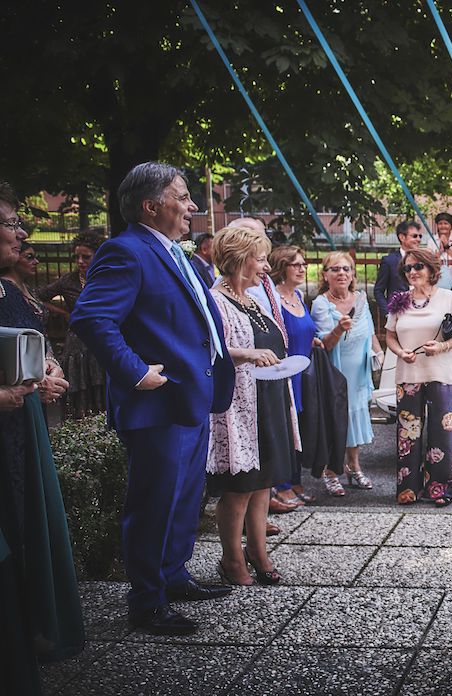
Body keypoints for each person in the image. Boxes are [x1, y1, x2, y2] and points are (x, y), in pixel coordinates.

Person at [71, 162, 235, 636]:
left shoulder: (176, 253)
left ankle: (173, 576)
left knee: (183, 498)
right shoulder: (125, 251)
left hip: (190, 398)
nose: (192, 205)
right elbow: (92, 318)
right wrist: (136, 372)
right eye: (182, 196)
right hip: (157, 402)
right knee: (154, 504)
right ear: (150, 206)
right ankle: (146, 601)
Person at [0, 182, 82, 692]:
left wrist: (47, 368)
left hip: (20, 425)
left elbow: (29, 348)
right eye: (10, 223)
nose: (22, 233)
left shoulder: (10, 291)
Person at [206, 224, 295, 587]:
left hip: (268, 399)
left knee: (262, 484)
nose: (266, 267)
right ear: (240, 259)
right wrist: (246, 354)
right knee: (240, 487)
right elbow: (206, 350)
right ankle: (231, 559)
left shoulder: (253, 299)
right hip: (239, 407)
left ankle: (259, 552)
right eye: (260, 259)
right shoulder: (216, 300)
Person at [384, 248, 452, 506]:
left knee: (443, 432)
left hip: (441, 373)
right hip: (408, 374)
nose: (412, 272)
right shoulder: (399, 300)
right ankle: (408, 488)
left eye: (417, 266)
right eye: (407, 268)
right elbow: (390, 335)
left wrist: (442, 346)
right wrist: (401, 352)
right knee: (407, 435)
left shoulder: (448, 297)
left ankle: (443, 489)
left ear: (431, 269)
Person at [311, 251, 381, 496]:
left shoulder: (360, 299)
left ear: (352, 274)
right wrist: (339, 329)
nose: (341, 273)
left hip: (359, 371)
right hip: (336, 372)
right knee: (336, 420)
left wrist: (379, 353)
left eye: (346, 269)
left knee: (355, 417)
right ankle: (331, 472)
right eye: (335, 269)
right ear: (325, 275)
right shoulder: (321, 304)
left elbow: (370, 331)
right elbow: (324, 345)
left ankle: (353, 466)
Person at [34, 232, 107, 417]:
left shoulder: (107, 278)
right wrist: (64, 312)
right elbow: (38, 296)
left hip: (102, 338)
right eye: (77, 257)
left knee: (102, 386)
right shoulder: (68, 280)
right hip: (77, 341)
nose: (80, 261)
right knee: (79, 386)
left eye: (86, 257)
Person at [269, 245, 321, 506]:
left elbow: (305, 330)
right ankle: (281, 485)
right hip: (285, 373)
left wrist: (314, 341)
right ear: (282, 267)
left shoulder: (299, 296)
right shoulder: (272, 299)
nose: (302, 269)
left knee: (299, 427)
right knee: (285, 429)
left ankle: (296, 480)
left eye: (303, 264)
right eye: (296, 264)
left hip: (304, 372)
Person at [374, 220, 423, 328]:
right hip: (398, 315)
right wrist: (388, 313)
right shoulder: (389, 261)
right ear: (402, 237)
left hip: (421, 313)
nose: (418, 239)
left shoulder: (423, 260)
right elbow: (378, 290)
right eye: (414, 236)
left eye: (420, 236)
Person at [0, 242, 43, 323]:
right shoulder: (4, 289)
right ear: (13, 259)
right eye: (29, 257)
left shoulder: (25, 286)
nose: (36, 262)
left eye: (36, 257)